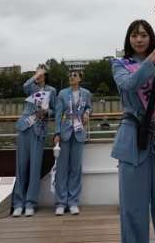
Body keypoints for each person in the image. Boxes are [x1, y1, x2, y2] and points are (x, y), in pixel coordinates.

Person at [112, 19, 155, 243]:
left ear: (151, 37)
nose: (139, 39)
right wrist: (153, 59)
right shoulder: (119, 64)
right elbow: (129, 84)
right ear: (129, 39)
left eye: (143, 35)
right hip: (133, 140)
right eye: (134, 35)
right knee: (133, 210)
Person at [12, 65, 56, 217]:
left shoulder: (52, 91)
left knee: (35, 167)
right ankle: (18, 202)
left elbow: (55, 110)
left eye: (43, 72)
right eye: (38, 72)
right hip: (25, 127)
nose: (40, 75)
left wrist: (46, 112)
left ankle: (30, 202)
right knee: (21, 166)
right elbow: (25, 86)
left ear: (47, 75)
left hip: (39, 129)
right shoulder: (31, 87)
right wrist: (35, 75)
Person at [53, 70, 92, 215]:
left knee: (76, 168)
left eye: (75, 75)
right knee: (62, 169)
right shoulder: (62, 93)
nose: (71, 77)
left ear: (80, 79)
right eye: (70, 75)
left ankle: (73, 202)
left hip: (79, 133)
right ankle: (61, 202)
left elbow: (89, 107)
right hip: (65, 132)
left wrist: (87, 113)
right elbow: (58, 114)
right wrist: (57, 132)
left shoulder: (86, 93)